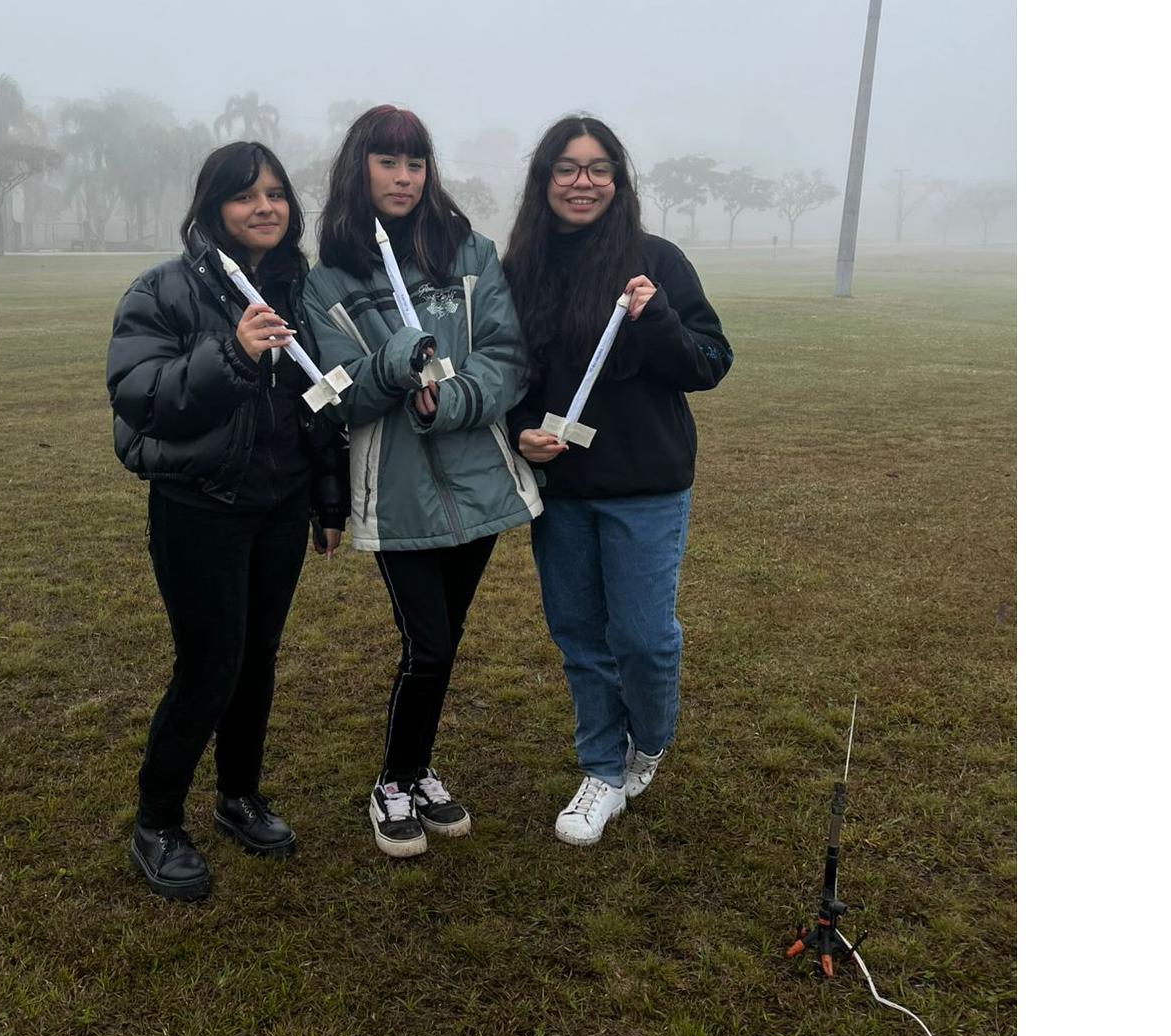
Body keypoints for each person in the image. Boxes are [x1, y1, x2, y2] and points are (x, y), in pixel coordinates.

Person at [106, 142, 349, 900]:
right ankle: (157, 822)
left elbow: (318, 404)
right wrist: (233, 353)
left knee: (258, 659)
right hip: (200, 508)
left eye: (275, 193)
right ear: (213, 208)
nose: (264, 207)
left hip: (280, 506)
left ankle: (238, 795)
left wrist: (327, 499)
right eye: (245, 195)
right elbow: (140, 395)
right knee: (209, 665)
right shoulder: (165, 290)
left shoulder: (300, 290)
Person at [302, 106, 541, 859]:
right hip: (396, 492)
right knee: (429, 646)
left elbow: (506, 354)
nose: (404, 177)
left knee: (443, 642)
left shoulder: (470, 252)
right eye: (388, 162)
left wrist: (456, 397)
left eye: (415, 162)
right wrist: (394, 364)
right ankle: (394, 782)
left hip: (479, 483)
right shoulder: (329, 278)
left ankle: (418, 768)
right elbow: (336, 388)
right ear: (359, 168)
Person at [502, 115, 734, 846]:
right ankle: (602, 768)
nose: (583, 182)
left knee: (643, 638)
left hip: (645, 487)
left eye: (599, 168)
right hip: (563, 490)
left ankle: (649, 742)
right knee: (581, 638)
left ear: (618, 180)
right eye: (567, 168)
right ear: (544, 180)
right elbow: (507, 371)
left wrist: (656, 316)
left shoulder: (655, 261)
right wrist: (520, 429)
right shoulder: (520, 268)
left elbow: (709, 362)